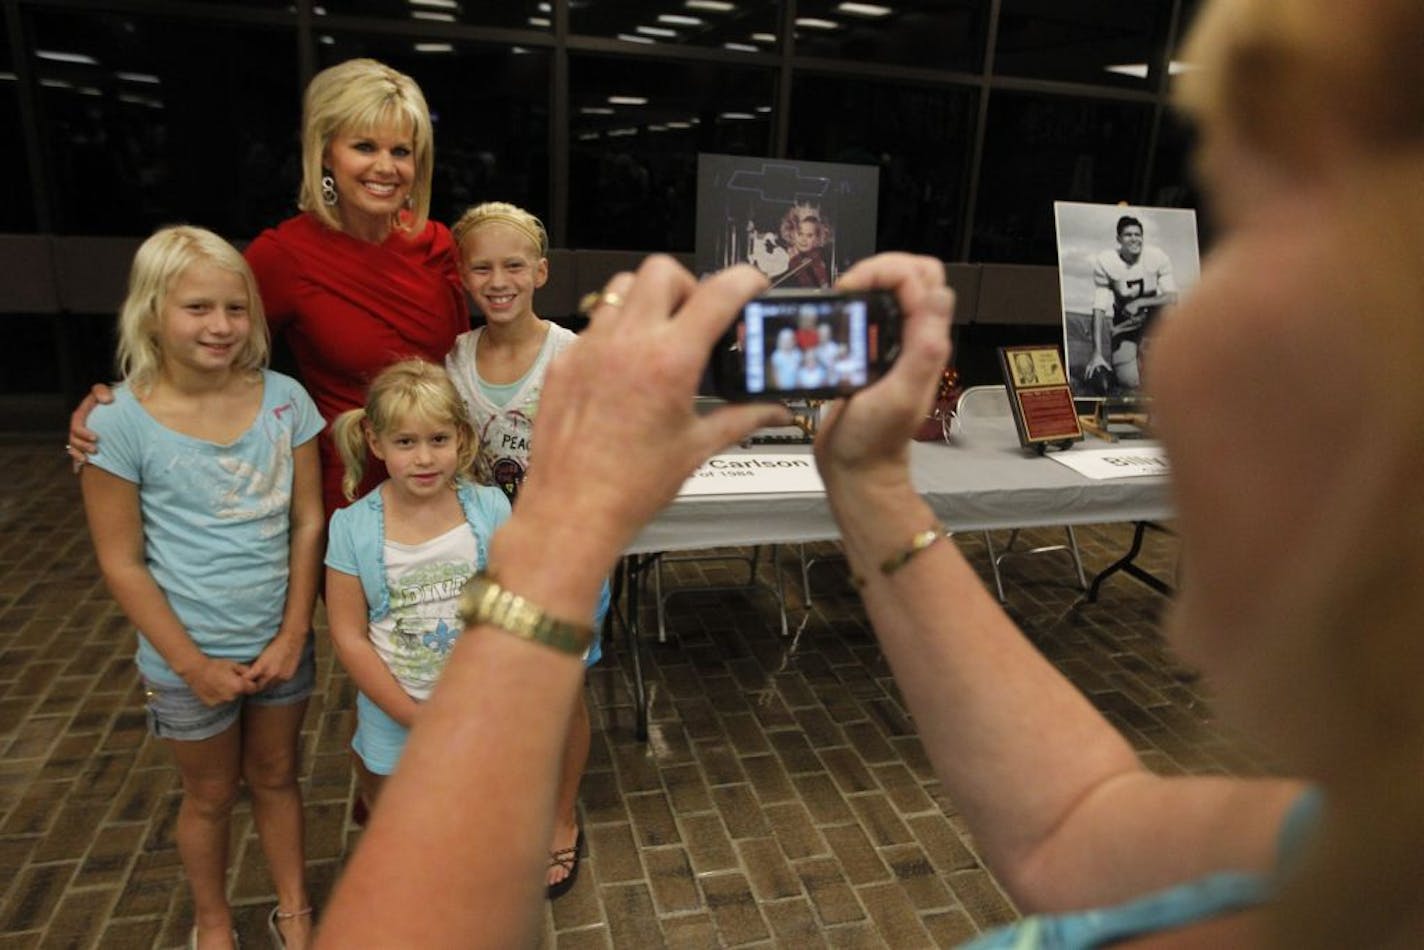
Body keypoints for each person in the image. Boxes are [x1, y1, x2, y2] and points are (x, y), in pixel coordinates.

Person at [315, 2, 1424, 943]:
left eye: (1254, 222)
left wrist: (560, 533)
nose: (1171, 337)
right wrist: (870, 480)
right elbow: (1076, 825)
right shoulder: (1341, 857)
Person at [68, 58, 468, 516]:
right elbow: (208, 339)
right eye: (364, 146)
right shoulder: (284, 256)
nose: (385, 167)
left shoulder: (439, 246)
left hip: (443, 478)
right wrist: (119, 403)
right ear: (325, 153)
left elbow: (477, 356)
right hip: (353, 490)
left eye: (401, 151)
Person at [78, 226, 323, 950]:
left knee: (278, 777)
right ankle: (212, 921)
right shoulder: (116, 424)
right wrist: (192, 666)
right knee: (210, 795)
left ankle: (296, 906)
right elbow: (121, 561)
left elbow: (309, 521)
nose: (220, 326)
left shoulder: (286, 401)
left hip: (280, 648)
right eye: (196, 308)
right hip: (186, 660)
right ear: (152, 311)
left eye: (235, 308)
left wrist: (294, 632)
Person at [441, 201, 609, 898]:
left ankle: (561, 816)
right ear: (462, 277)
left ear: (541, 272)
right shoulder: (454, 359)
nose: (498, 279)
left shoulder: (574, 357)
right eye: (482, 266)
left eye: (514, 264)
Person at [324, 360, 510, 829]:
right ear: (375, 441)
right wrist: (410, 715)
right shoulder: (352, 527)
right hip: (395, 711)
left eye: (438, 440)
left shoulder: (490, 509)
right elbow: (348, 635)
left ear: (460, 439)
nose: (424, 458)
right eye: (406, 442)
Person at [1083, 214, 1178, 394]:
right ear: (1119, 239)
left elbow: (1172, 297)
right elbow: (1099, 308)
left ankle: (1159, 349)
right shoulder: (1107, 261)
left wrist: (1141, 301)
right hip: (1125, 324)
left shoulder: (1156, 257)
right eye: (1128, 235)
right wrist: (1096, 353)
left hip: (1153, 321)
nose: (1134, 239)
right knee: (1128, 381)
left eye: (1137, 234)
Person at [778, 203, 833, 288]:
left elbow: (814, 288)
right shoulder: (781, 251)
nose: (803, 240)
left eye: (809, 235)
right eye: (800, 234)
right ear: (791, 232)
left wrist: (795, 262)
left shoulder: (816, 260)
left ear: (818, 237)